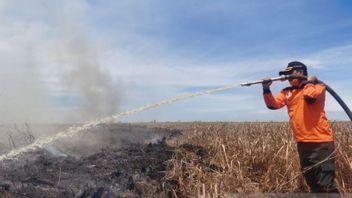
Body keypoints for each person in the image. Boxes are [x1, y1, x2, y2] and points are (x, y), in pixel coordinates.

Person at [262, 61, 339, 195]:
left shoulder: (318, 87)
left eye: (289, 74)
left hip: (321, 144)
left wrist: (310, 82)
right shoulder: (287, 92)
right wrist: (266, 89)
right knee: (312, 182)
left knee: (326, 184)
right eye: (286, 75)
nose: (288, 77)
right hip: (302, 143)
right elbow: (273, 105)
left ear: (300, 72)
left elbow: (309, 97)